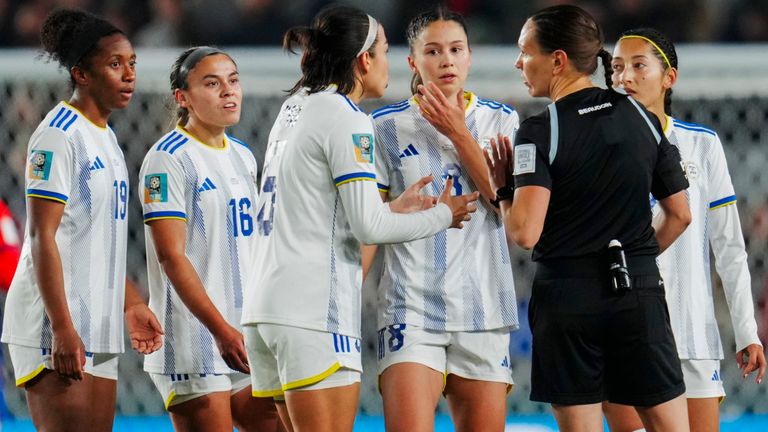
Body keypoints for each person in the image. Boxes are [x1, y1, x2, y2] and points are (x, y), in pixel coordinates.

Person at [240, 6, 479, 432]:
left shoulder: (296, 106)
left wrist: (392, 207)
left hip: (266, 312)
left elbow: (319, 212)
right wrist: (444, 214)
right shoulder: (347, 118)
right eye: (385, 51)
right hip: (311, 313)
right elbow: (370, 229)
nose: (387, 62)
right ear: (364, 59)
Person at [484, 5, 693, 432]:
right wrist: (633, 258)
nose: (518, 62)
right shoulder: (642, 116)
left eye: (526, 52)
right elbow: (680, 214)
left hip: (567, 301)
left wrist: (504, 192)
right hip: (636, 291)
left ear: (558, 60)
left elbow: (525, 232)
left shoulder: (541, 130)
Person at [0, 9, 163, 432]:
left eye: (132, 64)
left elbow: (97, 242)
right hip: (54, 323)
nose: (129, 75)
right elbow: (41, 237)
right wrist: (61, 327)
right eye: (114, 64)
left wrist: (130, 303)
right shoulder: (58, 135)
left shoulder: (106, 137)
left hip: (97, 321)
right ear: (82, 74)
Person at [602, 27, 766, 432]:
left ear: (669, 77)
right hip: (623, 328)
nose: (626, 77)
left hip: (691, 332)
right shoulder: (597, 147)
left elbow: (729, 247)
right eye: (618, 67)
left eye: (639, 65)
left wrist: (748, 329)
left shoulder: (701, 145)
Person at [368, 7, 519, 432]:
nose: (446, 60)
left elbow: (501, 204)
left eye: (456, 49)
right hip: (410, 307)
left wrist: (458, 131)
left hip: (482, 309)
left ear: (470, 56)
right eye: (432, 51)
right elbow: (369, 222)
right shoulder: (384, 126)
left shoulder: (502, 120)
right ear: (413, 62)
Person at [139, 46, 282, 432]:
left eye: (233, 81)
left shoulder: (242, 155)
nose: (228, 92)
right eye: (212, 83)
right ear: (181, 98)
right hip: (195, 337)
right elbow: (171, 257)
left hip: (243, 333)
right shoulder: (167, 159)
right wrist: (220, 330)